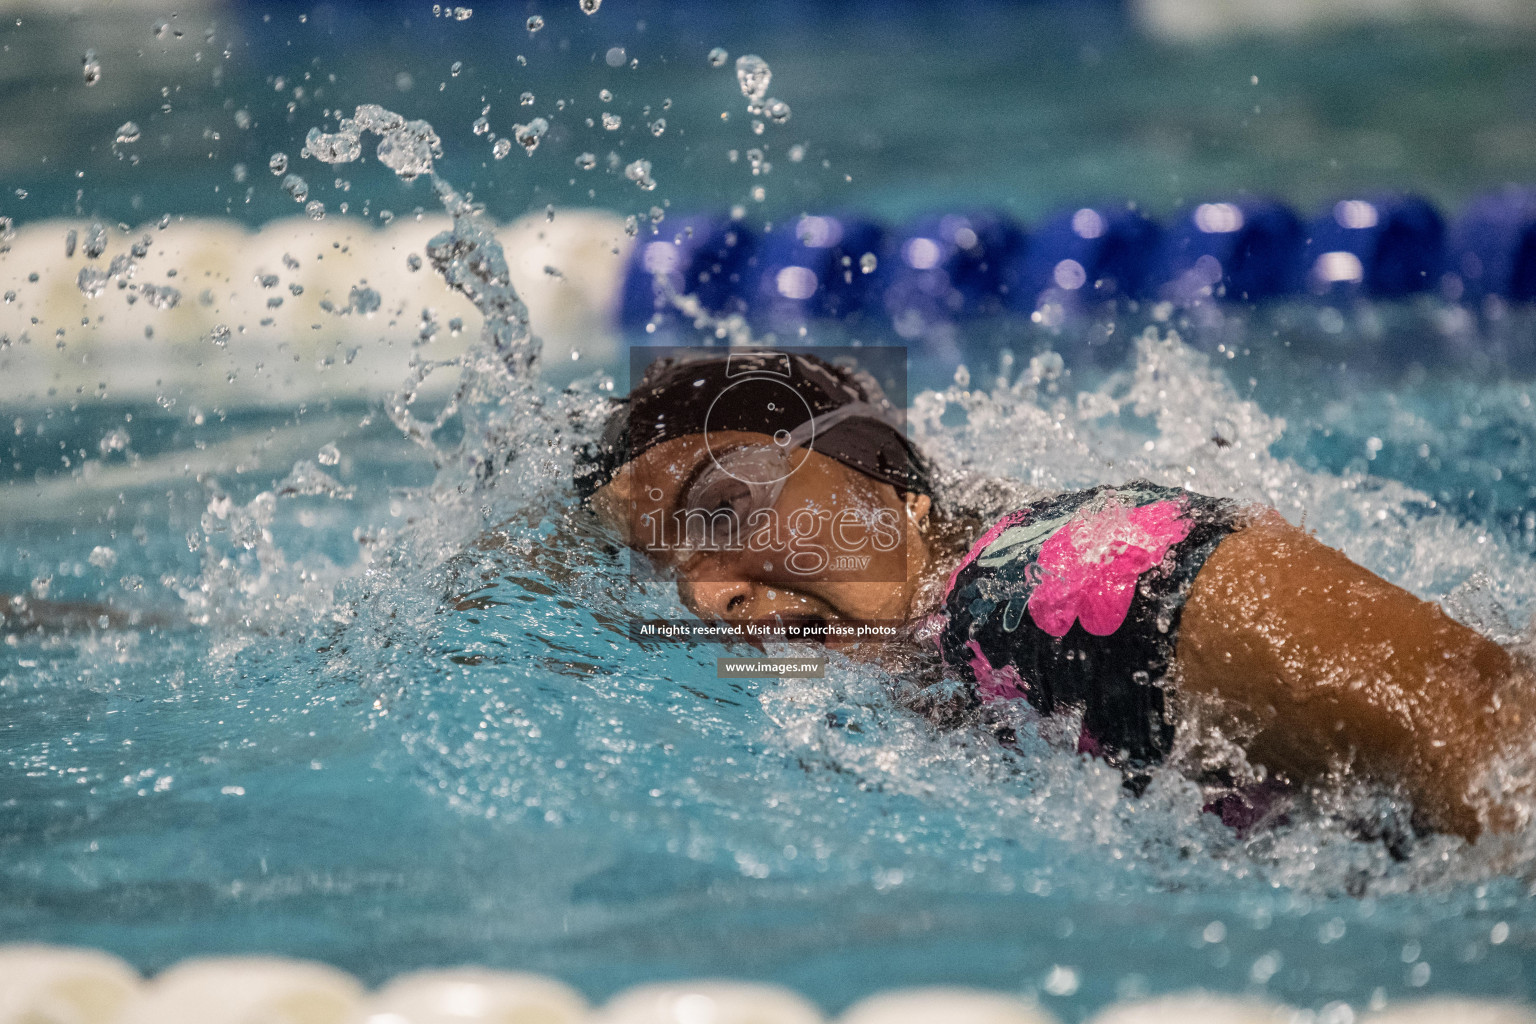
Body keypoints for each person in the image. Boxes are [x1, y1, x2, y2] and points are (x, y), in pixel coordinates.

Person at [577, 348, 1536, 843]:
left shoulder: (1070, 577)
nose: (707, 599)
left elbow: (1497, 737)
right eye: (660, 568)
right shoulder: (948, 654)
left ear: (887, 478)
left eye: (727, 506)